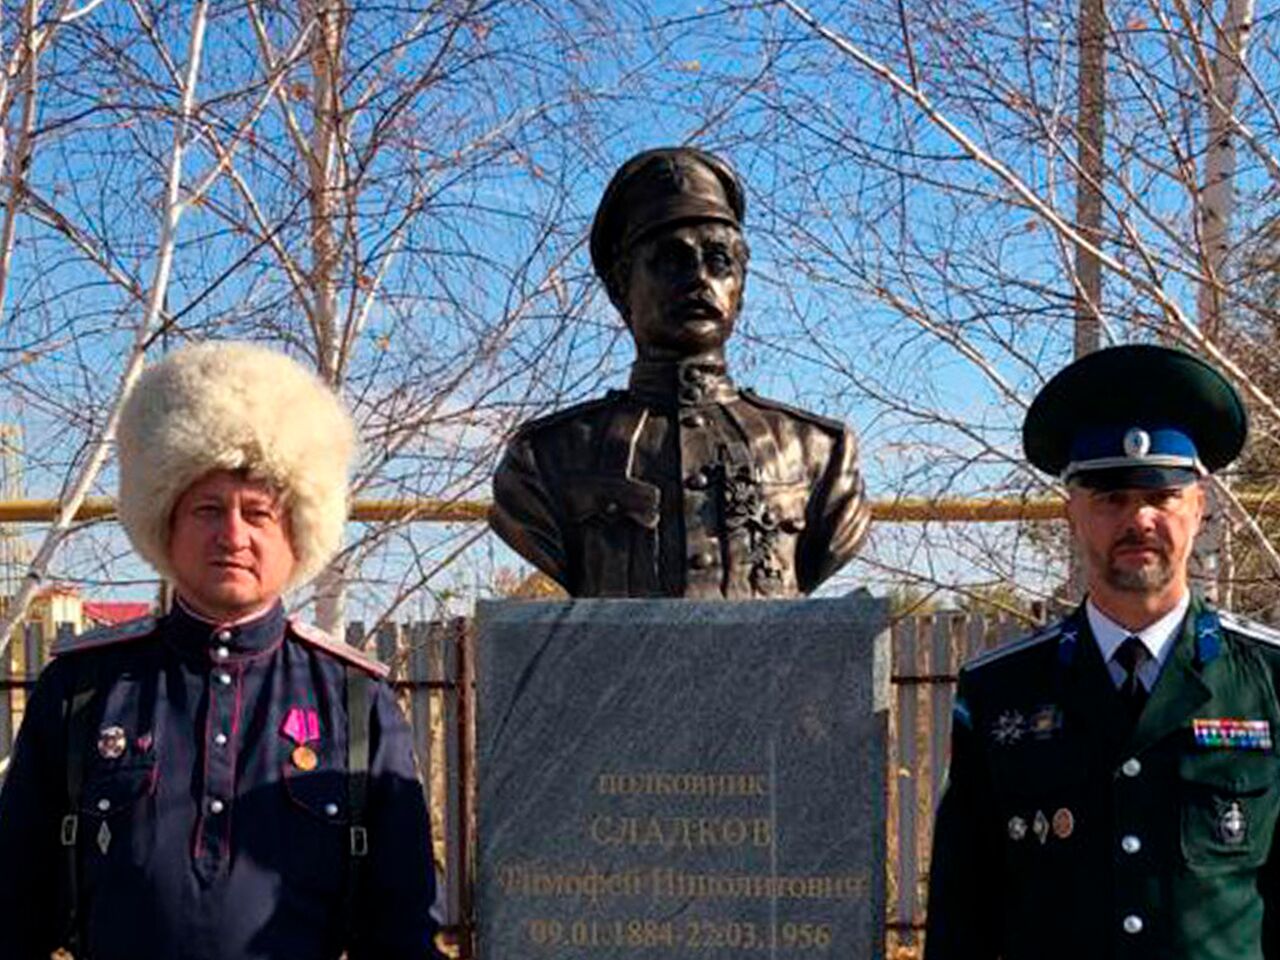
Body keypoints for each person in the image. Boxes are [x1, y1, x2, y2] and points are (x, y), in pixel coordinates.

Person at [0, 342, 444, 959]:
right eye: (207, 508)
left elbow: (401, 929)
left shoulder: (354, 699)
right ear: (165, 521)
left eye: (257, 512)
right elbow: (13, 910)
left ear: (298, 530)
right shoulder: (83, 690)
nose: (232, 535)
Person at [925, 343, 1280, 959]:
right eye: (1110, 498)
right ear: (1072, 512)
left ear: (1199, 507)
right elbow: (965, 917)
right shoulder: (1001, 694)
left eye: (1160, 495)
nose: (1138, 518)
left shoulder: (1269, 681)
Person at [490, 146, 871, 598]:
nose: (698, 279)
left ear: (741, 290)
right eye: (671, 259)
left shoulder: (819, 452)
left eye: (719, 261)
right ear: (620, 288)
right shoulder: (545, 458)